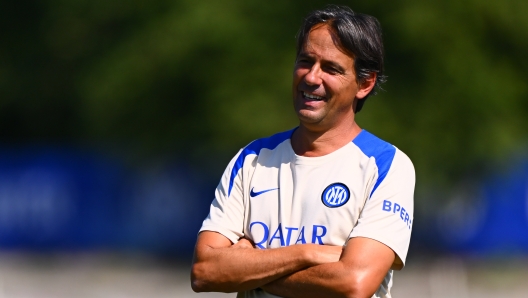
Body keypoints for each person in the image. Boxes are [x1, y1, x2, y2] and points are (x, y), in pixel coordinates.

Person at [191, 5, 415, 298]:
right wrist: (307, 254)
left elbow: (354, 283)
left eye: (331, 68)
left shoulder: (387, 165)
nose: (311, 77)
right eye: (305, 61)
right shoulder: (252, 159)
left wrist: (247, 269)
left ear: (365, 83)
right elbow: (205, 271)